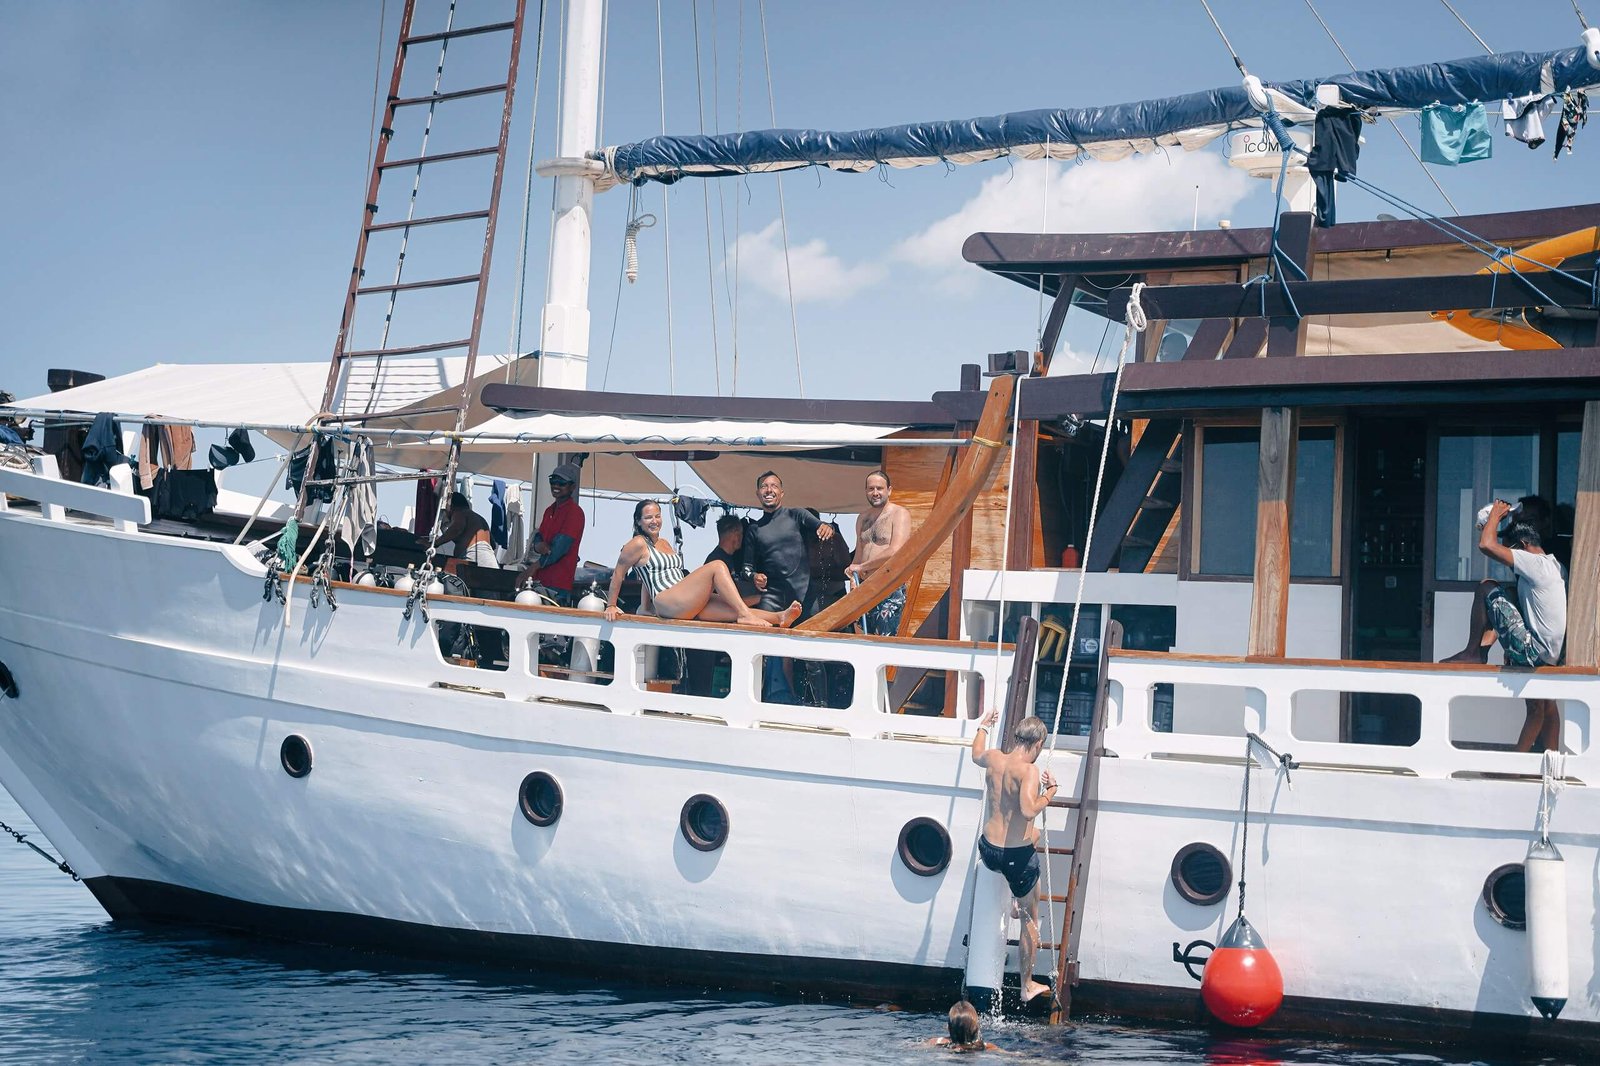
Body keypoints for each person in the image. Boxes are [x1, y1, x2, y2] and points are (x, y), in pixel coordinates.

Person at [1442, 497, 1568, 752]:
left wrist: (1494, 517)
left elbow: (1486, 545)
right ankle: (1545, 763)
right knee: (1543, 707)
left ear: (1522, 546)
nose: (1510, 560)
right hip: (1551, 655)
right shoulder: (1555, 566)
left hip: (1533, 650)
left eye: (1511, 551)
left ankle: (1473, 653)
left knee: (1487, 587)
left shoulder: (1536, 564)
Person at [971, 709, 1058, 1005]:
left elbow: (976, 753)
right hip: (1013, 858)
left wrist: (983, 726)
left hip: (988, 849)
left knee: (1031, 836)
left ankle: (1014, 899)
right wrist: (1051, 793)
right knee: (1031, 920)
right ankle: (1027, 985)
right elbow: (1028, 810)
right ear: (1037, 744)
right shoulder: (1029, 770)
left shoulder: (994, 757)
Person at [601, 500, 801, 627]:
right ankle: (745, 615)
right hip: (668, 601)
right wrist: (611, 605)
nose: (654, 521)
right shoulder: (637, 543)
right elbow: (619, 573)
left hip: (683, 599)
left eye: (657, 516)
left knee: (731, 609)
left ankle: (779, 617)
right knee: (717, 566)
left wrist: (645, 607)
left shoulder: (664, 543)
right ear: (638, 521)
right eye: (648, 518)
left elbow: (648, 575)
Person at [740, 471, 835, 700]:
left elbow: (823, 528)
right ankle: (755, 700)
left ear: (782, 492)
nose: (769, 490)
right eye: (764, 486)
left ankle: (821, 707)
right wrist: (754, 576)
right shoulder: (754, 529)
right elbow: (745, 567)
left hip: (804, 594)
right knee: (758, 648)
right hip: (773, 596)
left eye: (774, 486)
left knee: (812, 654)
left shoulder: (796, 515)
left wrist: (826, 528)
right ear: (758, 493)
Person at [846, 469, 912, 636]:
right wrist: (853, 576)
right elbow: (859, 554)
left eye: (879, 488)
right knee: (862, 641)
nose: (875, 493)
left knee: (885, 642)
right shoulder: (862, 517)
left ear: (889, 490)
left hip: (888, 586)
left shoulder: (899, 514)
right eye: (871, 489)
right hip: (864, 588)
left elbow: (895, 551)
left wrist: (861, 567)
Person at [518, 462, 586, 604]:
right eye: (553, 481)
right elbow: (538, 537)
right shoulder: (549, 510)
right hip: (540, 580)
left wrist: (531, 568)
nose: (556, 485)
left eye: (561, 482)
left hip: (557, 584)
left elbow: (558, 550)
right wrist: (538, 545)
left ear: (572, 487)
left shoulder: (575, 513)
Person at [429, 491, 497, 572]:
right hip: (490, 560)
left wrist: (436, 543)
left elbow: (456, 529)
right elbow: (493, 544)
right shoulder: (478, 518)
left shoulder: (460, 512)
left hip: (475, 559)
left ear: (451, 506)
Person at [705, 514, 760, 606]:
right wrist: (762, 598)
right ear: (735, 533)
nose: (742, 537)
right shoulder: (718, 562)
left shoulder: (727, 558)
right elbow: (728, 603)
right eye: (741, 533)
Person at [927, 1000, 999, 1052]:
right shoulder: (986, 1046)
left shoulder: (937, 1042)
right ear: (977, 1029)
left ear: (948, 1028)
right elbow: (1008, 1055)